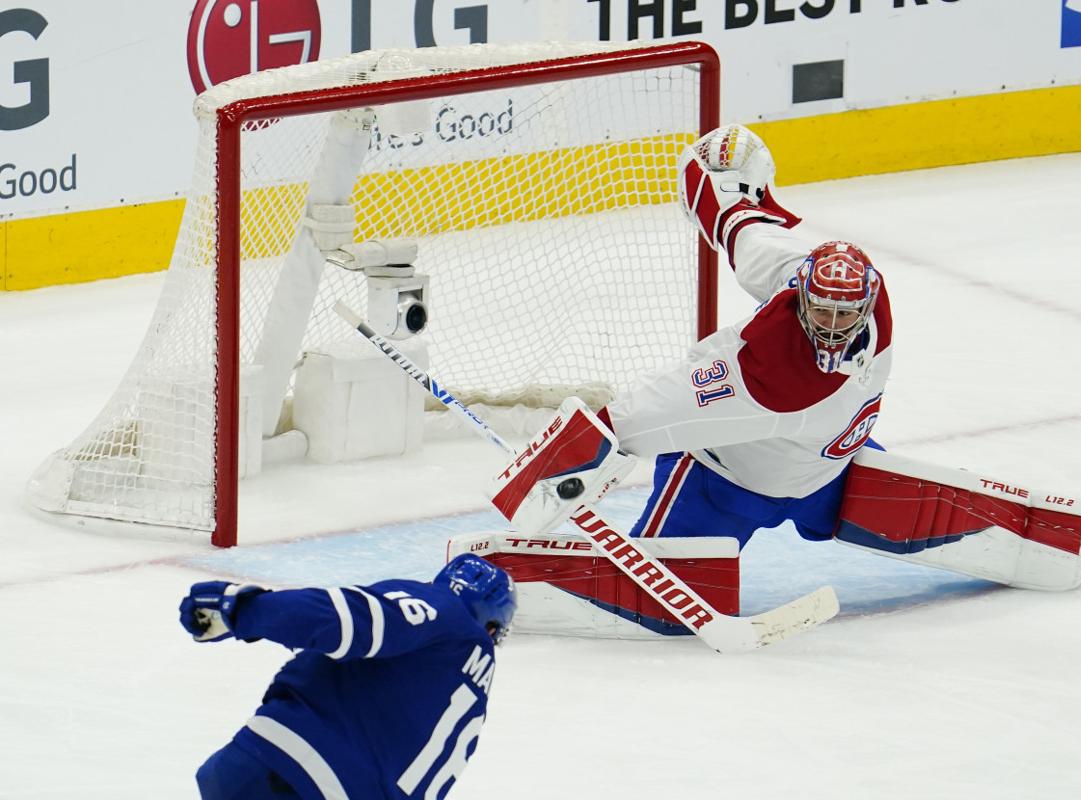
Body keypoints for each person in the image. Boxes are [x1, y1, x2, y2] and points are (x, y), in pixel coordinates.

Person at [593, 123, 892, 549]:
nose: (830, 324)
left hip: (825, 471)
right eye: (822, 310)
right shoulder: (767, 370)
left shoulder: (833, 289)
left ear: (868, 302)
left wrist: (730, 208)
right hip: (725, 485)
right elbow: (663, 405)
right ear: (799, 297)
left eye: (844, 315)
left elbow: (752, 237)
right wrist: (597, 434)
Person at [179, 553, 517, 800]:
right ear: (494, 626)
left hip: (287, 773)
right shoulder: (473, 691)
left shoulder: (442, 608)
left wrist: (246, 611)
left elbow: (350, 618)